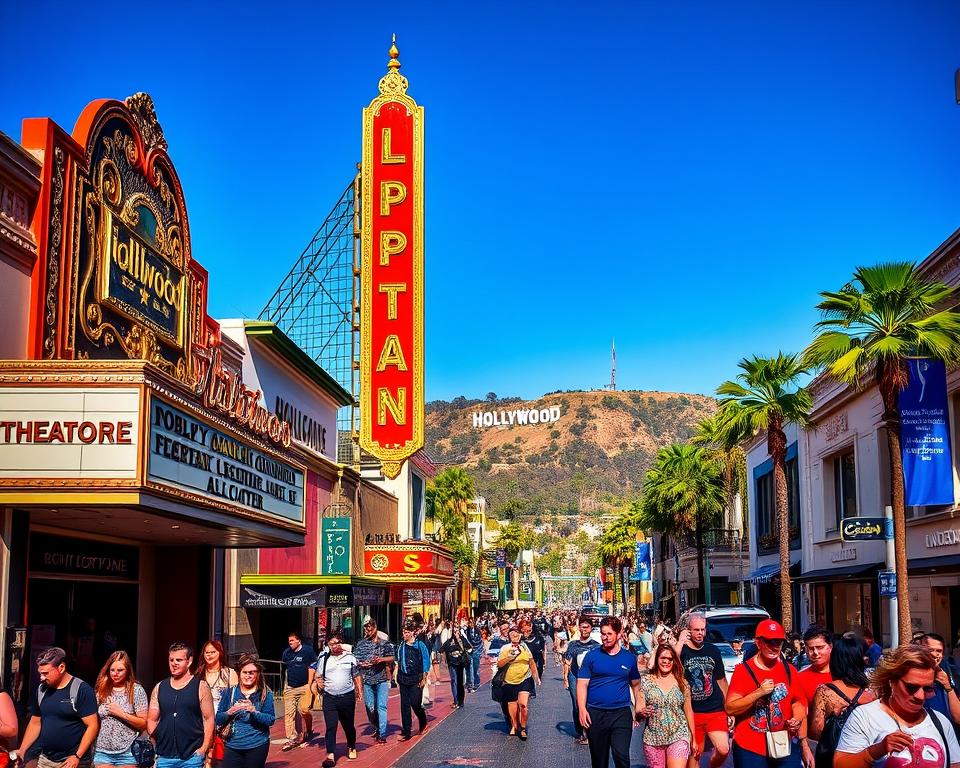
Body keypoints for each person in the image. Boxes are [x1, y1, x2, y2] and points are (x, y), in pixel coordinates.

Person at [836, 644, 960, 768]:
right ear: (892, 682)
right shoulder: (865, 717)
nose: (920, 696)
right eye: (911, 687)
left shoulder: (941, 722)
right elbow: (839, 764)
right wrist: (877, 750)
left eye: (927, 688)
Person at [725, 620, 805, 768]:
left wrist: (796, 719)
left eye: (778, 642)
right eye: (769, 641)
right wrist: (758, 693)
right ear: (758, 642)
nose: (774, 646)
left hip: (783, 742)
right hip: (750, 746)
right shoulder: (743, 671)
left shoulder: (789, 670)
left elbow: (798, 701)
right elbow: (730, 708)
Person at [12, 647, 99, 768]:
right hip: (46, 759)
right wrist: (22, 751)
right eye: (40, 673)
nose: (41, 677)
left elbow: (93, 725)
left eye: (45, 673)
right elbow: (35, 723)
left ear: (61, 668)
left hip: (73, 760)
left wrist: (77, 756)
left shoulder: (81, 690)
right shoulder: (41, 689)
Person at [577, 616, 642, 768]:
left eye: (609, 634)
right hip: (596, 713)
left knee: (621, 755)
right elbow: (582, 684)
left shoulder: (629, 658)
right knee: (599, 760)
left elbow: (636, 685)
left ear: (619, 634)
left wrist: (637, 708)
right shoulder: (592, 656)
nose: (605, 638)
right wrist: (582, 709)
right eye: (603, 633)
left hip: (621, 713)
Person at [808, 635, 876, 768]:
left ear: (835, 661)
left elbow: (816, 732)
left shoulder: (825, 691)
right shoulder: (872, 692)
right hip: (864, 756)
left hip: (834, 758)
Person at [675, 613, 730, 768]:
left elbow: (721, 680)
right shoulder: (683, 651)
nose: (700, 633)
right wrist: (680, 641)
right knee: (695, 755)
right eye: (696, 630)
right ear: (689, 631)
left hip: (715, 710)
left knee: (724, 749)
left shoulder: (713, 651)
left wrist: (729, 707)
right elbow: (672, 665)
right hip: (692, 713)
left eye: (703, 630)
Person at [148, 643, 215, 768]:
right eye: (171, 660)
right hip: (164, 757)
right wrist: (155, 745)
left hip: (192, 757)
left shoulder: (201, 686)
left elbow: (209, 719)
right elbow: (152, 719)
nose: (174, 663)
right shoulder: (160, 687)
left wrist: (203, 749)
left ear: (189, 661)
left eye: (179, 660)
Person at [637, 644, 698, 768]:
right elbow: (639, 708)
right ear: (657, 659)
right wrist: (642, 712)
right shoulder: (646, 681)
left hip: (679, 734)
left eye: (670, 659)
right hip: (653, 738)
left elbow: (688, 710)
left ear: (674, 661)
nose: (666, 661)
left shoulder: (682, 683)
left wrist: (694, 738)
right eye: (663, 658)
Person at [214, 655, 274, 768]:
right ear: (239, 673)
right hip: (232, 746)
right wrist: (229, 712)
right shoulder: (229, 692)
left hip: (257, 745)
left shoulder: (265, 694)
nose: (248, 676)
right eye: (244, 672)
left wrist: (254, 712)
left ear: (258, 673)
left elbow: (270, 720)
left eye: (252, 672)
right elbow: (218, 719)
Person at [312, 631, 361, 767]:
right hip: (330, 698)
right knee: (331, 726)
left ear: (342, 643)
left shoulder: (350, 657)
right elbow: (318, 674)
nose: (335, 646)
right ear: (328, 645)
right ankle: (330, 755)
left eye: (338, 643)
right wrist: (318, 681)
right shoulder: (324, 658)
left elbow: (356, 674)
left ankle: (351, 746)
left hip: (347, 697)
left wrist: (359, 690)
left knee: (348, 725)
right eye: (332, 644)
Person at [92, 651, 148, 768]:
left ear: (127, 670)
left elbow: (143, 723)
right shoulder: (101, 690)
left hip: (127, 752)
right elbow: (94, 720)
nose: (115, 674)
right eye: (112, 670)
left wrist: (120, 713)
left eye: (120, 670)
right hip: (102, 751)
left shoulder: (136, 690)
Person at [796, 627, 833, 768]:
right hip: (814, 743)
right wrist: (805, 747)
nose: (815, 653)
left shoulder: (843, 675)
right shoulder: (800, 678)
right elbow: (800, 715)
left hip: (845, 743)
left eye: (820, 647)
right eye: (811, 649)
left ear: (830, 647)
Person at [196, 641, 237, 767]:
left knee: (220, 759)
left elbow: (235, 699)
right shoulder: (198, 674)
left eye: (213, 652)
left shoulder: (230, 673)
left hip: (224, 724)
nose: (209, 655)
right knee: (204, 758)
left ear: (220, 653)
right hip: (202, 722)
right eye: (206, 652)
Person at [353, 620, 394, 744]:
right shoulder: (360, 644)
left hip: (381, 679)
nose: (368, 631)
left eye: (370, 628)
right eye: (366, 629)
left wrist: (381, 660)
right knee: (370, 708)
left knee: (381, 706)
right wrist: (361, 665)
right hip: (367, 681)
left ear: (375, 628)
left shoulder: (384, 643)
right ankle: (376, 725)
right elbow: (355, 662)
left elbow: (392, 657)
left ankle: (382, 734)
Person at [497, 626, 541, 740]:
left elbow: (531, 662)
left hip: (525, 678)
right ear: (509, 636)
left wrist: (537, 677)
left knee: (523, 704)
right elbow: (500, 664)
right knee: (512, 706)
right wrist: (509, 657)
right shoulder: (505, 648)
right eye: (512, 635)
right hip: (509, 679)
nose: (515, 636)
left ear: (520, 635)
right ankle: (514, 725)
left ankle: (523, 728)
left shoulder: (525, 647)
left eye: (517, 634)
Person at [565, 616, 601, 745]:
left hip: (591, 678)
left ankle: (588, 732)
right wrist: (565, 678)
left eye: (587, 627)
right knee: (577, 705)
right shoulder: (573, 644)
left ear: (591, 628)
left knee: (588, 704)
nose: (585, 629)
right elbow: (567, 662)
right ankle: (580, 731)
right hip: (575, 676)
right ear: (578, 628)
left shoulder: (597, 646)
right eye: (582, 626)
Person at [280, 632, 317, 751]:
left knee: (304, 710)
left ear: (298, 641)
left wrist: (311, 683)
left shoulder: (308, 651)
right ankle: (291, 738)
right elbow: (285, 666)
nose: (290, 643)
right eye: (289, 641)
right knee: (289, 714)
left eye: (292, 640)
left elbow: (314, 664)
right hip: (290, 687)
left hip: (304, 686)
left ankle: (309, 729)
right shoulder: (287, 653)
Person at [394, 623, 430, 742]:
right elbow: (398, 661)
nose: (405, 634)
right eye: (404, 632)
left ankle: (423, 719)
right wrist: (396, 674)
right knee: (404, 705)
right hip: (403, 679)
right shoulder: (401, 646)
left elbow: (426, 661)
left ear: (412, 633)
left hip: (416, 679)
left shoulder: (420, 645)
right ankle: (407, 730)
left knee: (415, 703)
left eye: (407, 632)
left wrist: (424, 677)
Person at [920, 633, 960, 728]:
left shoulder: (950, 673)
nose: (935, 654)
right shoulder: (911, 676)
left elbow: (958, 718)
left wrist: (948, 686)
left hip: (949, 735)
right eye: (930, 650)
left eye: (939, 651)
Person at [440, 625, 472, 709]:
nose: (456, 633)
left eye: (457, 631)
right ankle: (456, 700)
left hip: (460, 663)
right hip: (452, 664)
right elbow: (441, 649)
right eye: (454, 632)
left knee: (460, 682)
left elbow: (469, 647)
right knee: (454, 680)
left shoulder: (462, 640)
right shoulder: (449, 641)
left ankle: (460, 701)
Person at [465, 619, 483, 693]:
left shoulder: (478, 631)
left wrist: (477, 650)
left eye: (472, 622)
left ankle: (476, 683)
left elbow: (479, 641)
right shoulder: (466, 631)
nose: (471, 624)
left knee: (475, 668)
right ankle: (469, 684)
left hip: (476, 652)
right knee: (469, 668)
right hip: (469, 652)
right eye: (469, 622)